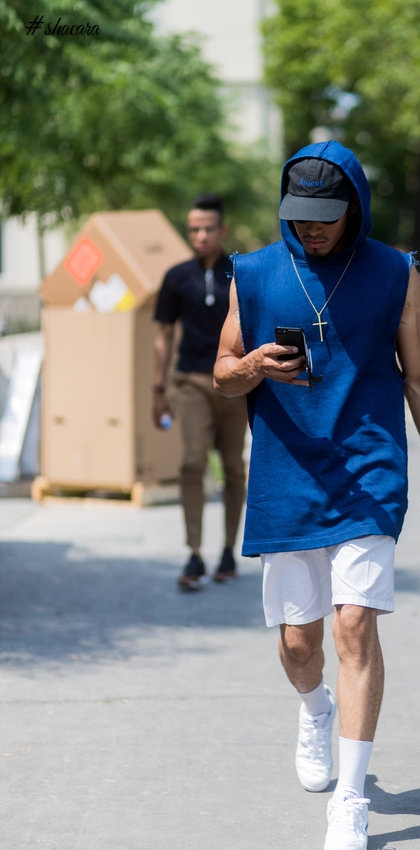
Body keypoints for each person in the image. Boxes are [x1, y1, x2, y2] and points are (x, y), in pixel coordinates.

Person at [213, 140, 420, 850]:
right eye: (302, 215)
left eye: (327, 216)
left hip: (369, 470)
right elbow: (223, 372)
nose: (313, 228)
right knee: (301, 645)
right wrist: (254, 366)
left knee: (355, 625)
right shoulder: (255, 272)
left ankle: (351, 802)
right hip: (287, 473)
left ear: (356, 205)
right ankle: (314, 709)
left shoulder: (395, 273)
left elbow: (419, 378)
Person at [153, 193, 247, 588]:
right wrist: (158, 387)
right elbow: (163, 333)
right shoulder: (177, 276)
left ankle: (228, 550)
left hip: (235, 384)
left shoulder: (241, 271)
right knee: (192, 463)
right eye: (194, 228)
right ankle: (194, 553)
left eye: (208, 228)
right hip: (190, 381)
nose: (201, 235)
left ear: (222, 229)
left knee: (232, 466)